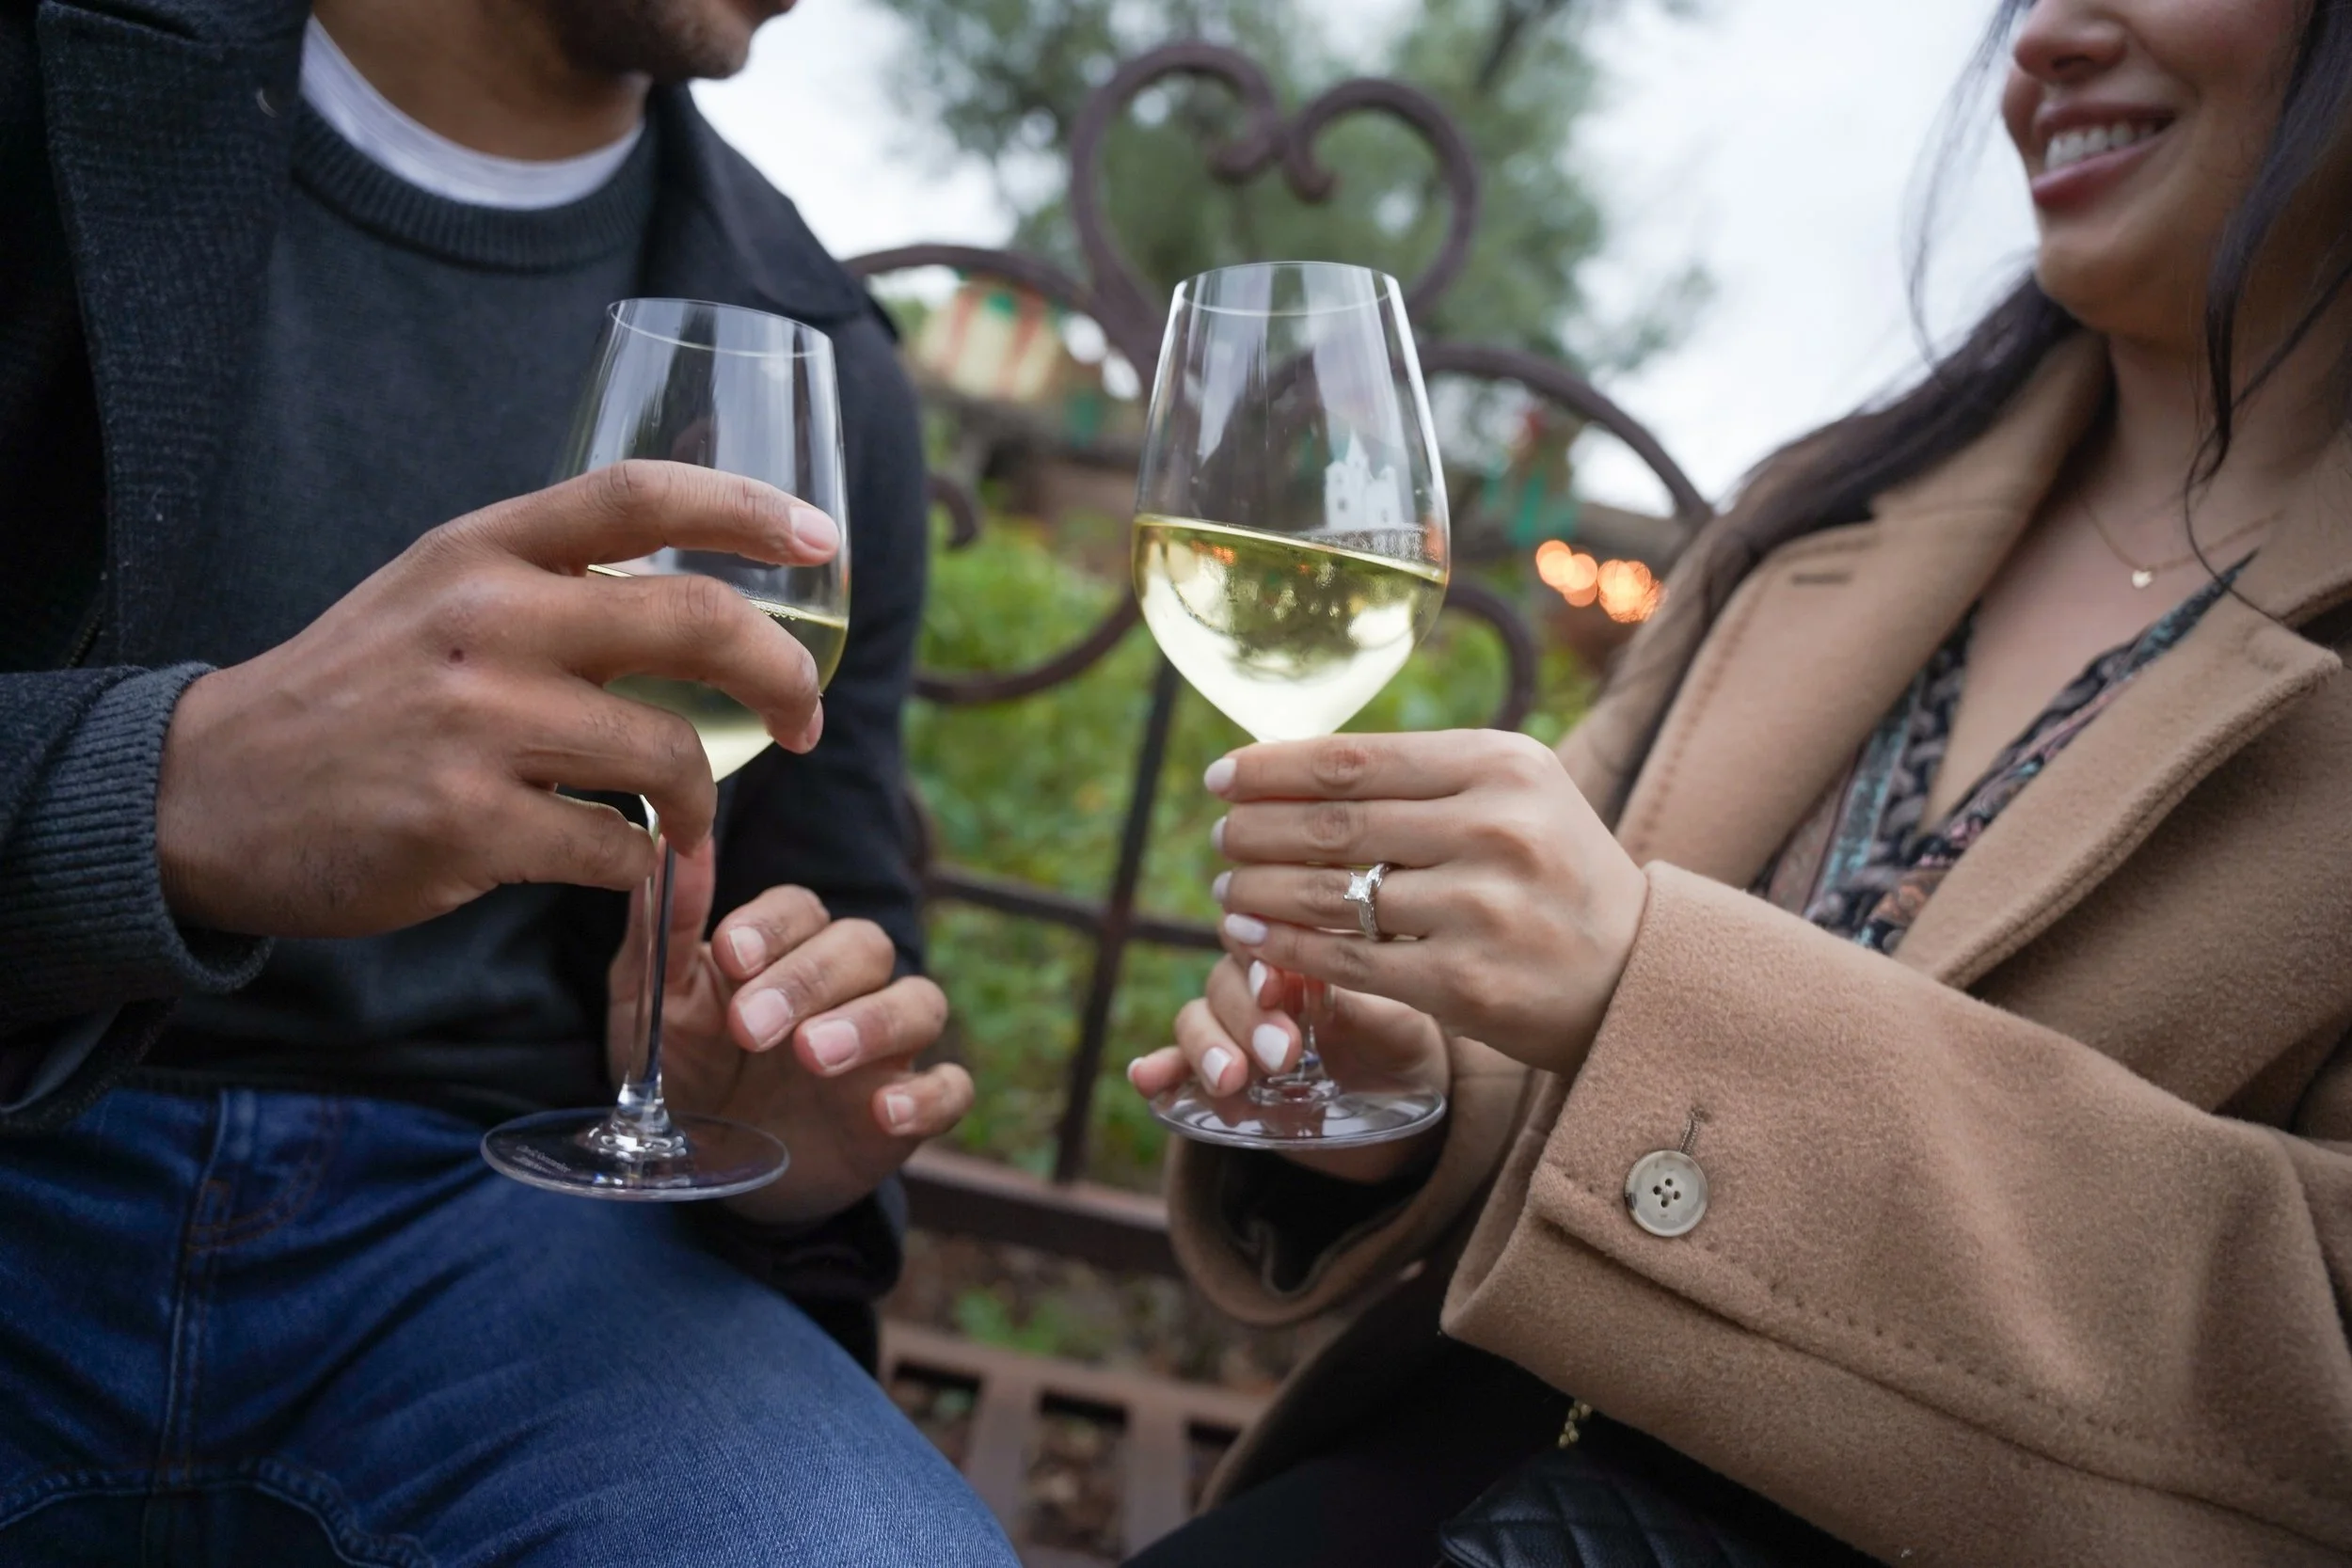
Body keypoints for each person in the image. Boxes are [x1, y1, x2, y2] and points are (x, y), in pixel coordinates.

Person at [1128, 0, 2352, 1563]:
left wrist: (1656, 988)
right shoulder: (1821, 511)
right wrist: (1412, 1093)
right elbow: (1550, 991)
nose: (2045, 36)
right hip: (1484, 1453)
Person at [0, 0, 1015, 1561]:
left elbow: (837, 924)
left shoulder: (818, 352)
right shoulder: (49, 75)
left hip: (498, 1236)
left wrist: (770, 1123)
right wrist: (155, 795)